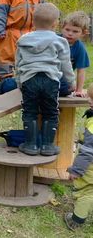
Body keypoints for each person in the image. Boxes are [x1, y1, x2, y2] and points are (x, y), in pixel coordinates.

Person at [15, 3, 75, 156]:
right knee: (50, 112)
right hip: (50, 80)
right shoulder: (60, 41)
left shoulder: (23, 40)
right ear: (55, 23)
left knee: (29, 112)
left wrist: (19, 81)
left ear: (33, 22)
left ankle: (31, 145)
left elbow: (18, 63)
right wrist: (71, 82)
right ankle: (48, 146)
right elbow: (65, 64)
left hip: (29, 79)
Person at [64, 83, 93, 230]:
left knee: (85, 193)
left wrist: (76, 170)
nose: (89, 101)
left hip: (89, 168)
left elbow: (88, 152)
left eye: (92, 100)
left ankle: (76, 220)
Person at [58, 11, 91, 97]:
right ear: (62, 28)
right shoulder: (54, 40)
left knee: (69, 88)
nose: (70, 33)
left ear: (83, 33)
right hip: (45, 75)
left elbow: (81, 71)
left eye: (75, 31)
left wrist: (78, 90)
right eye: (67, 29)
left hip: (63, 80)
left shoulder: (80, 48)